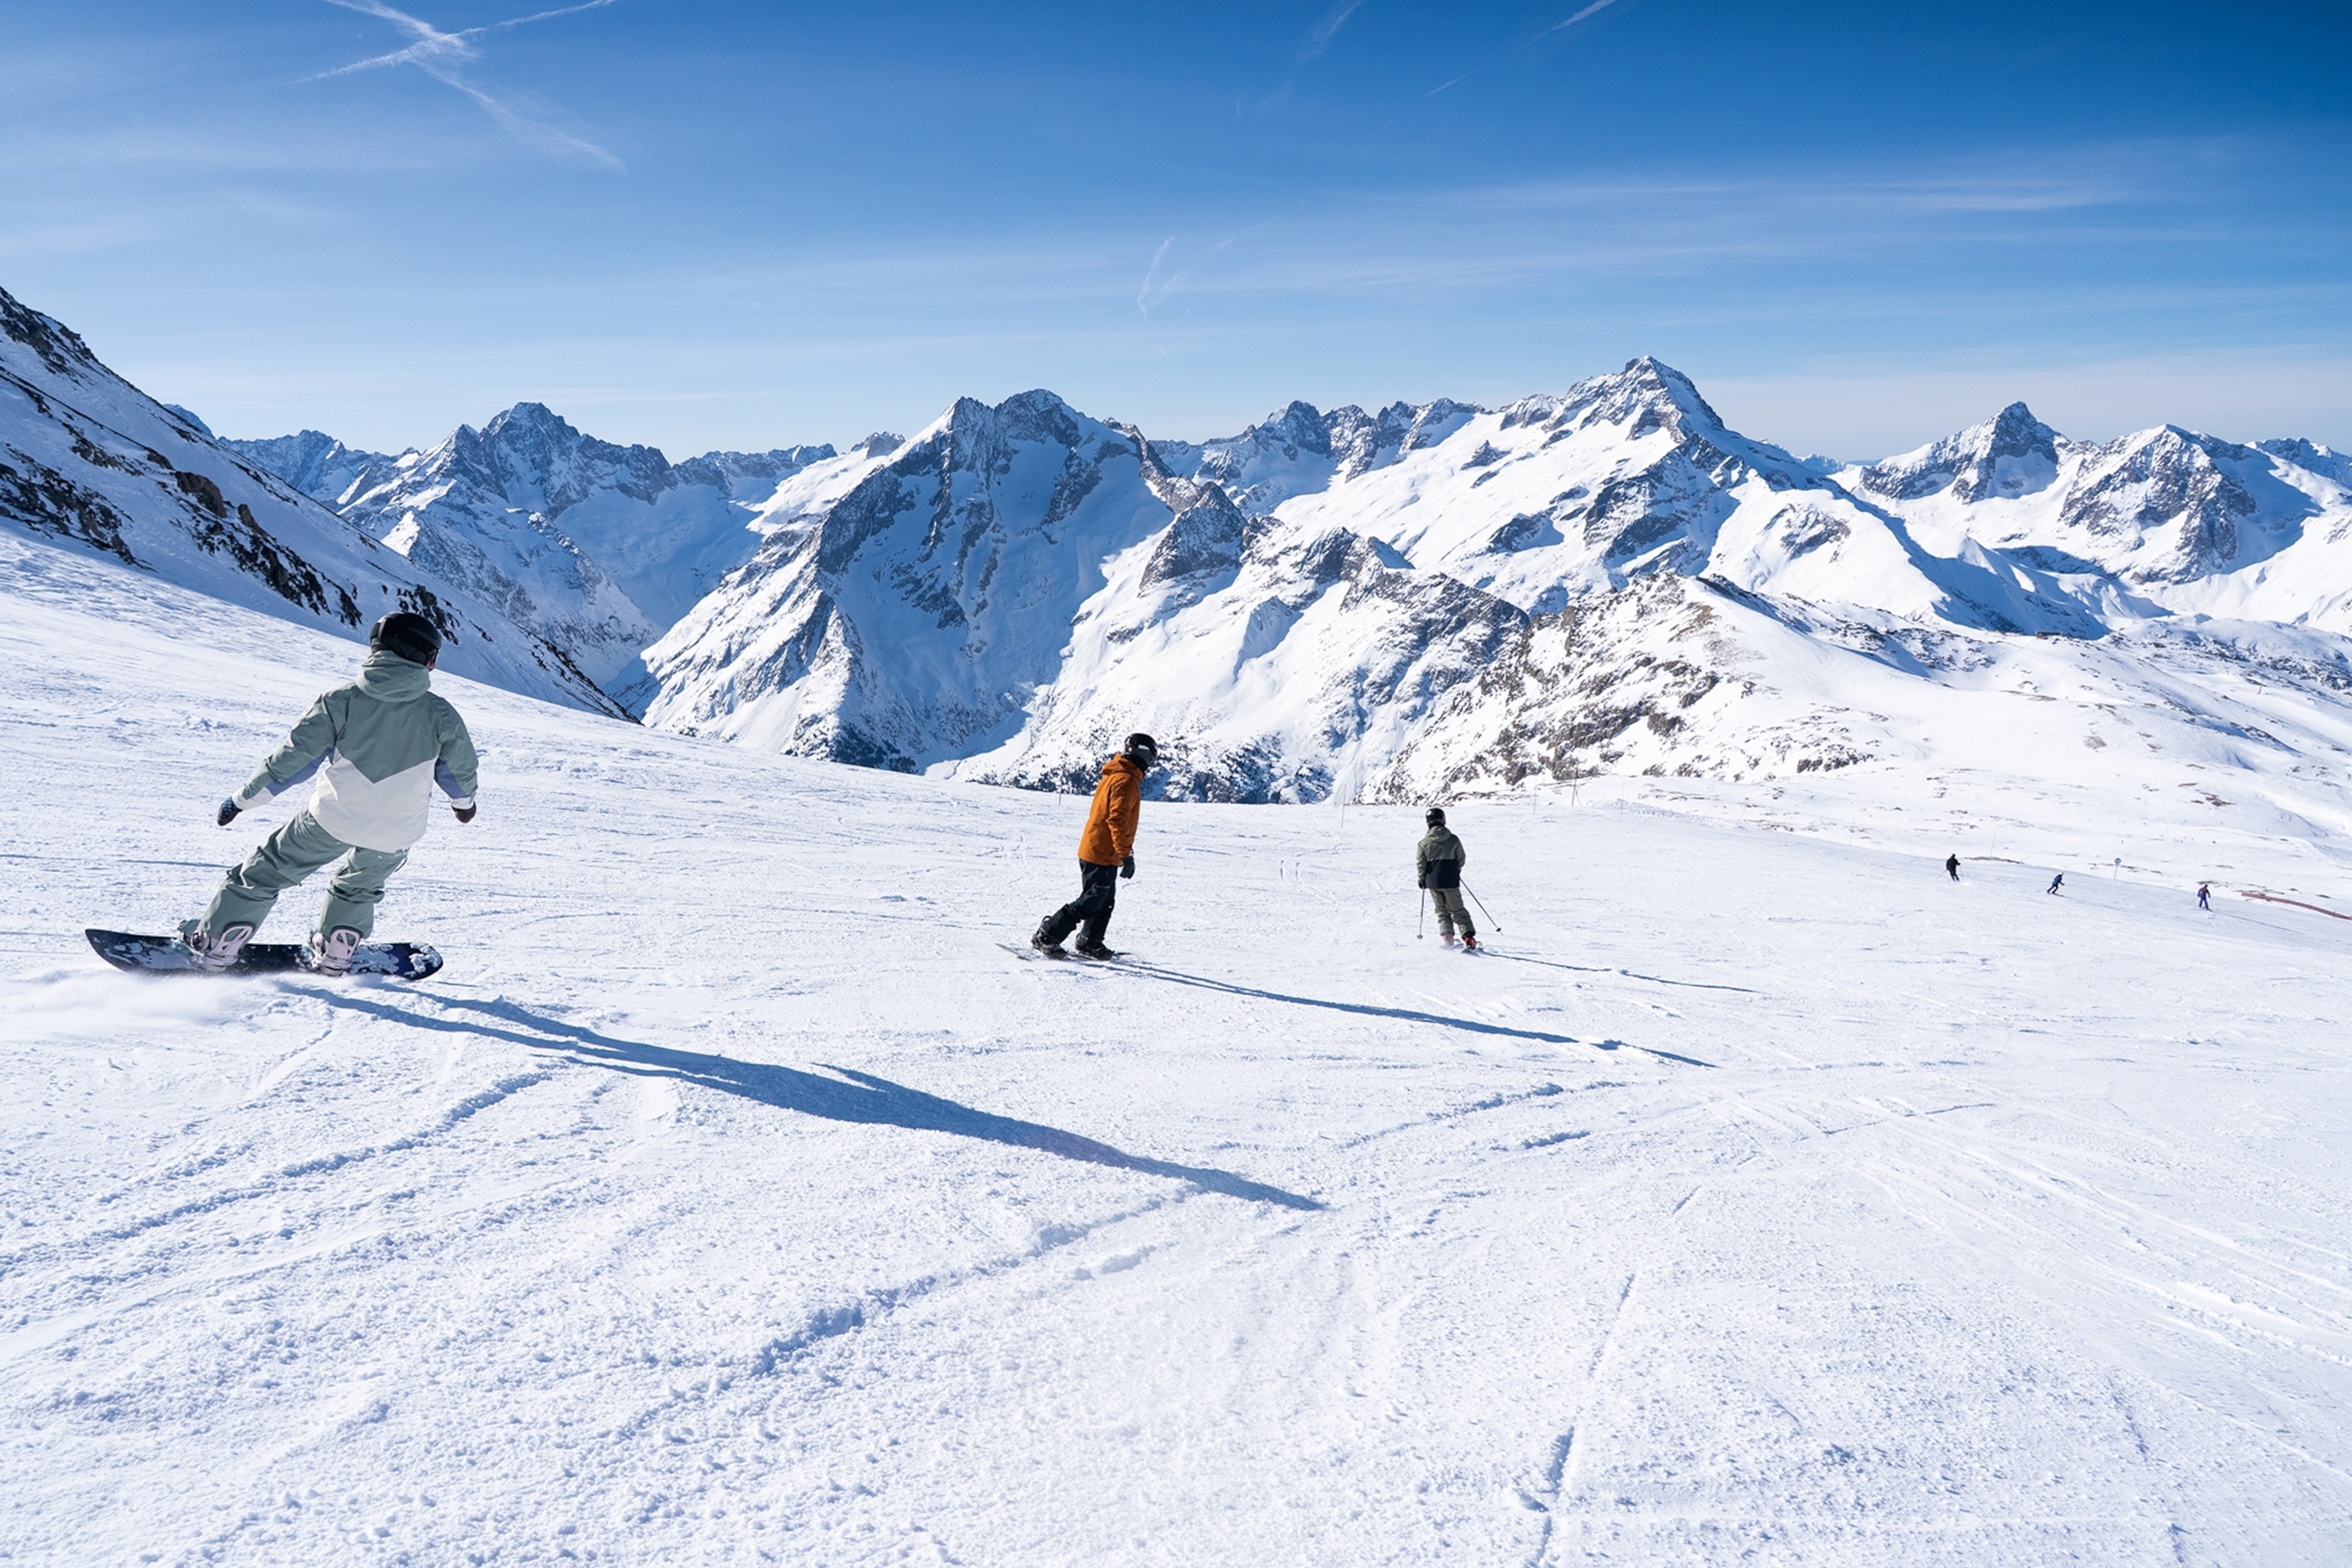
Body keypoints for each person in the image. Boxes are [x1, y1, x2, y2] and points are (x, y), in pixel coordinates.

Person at [181, 612, 479, 974]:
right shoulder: (440, 714)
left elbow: (290, 761)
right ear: (425, 658)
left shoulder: (341, 701)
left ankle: (217, 944)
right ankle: (337, 949)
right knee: (359, 886)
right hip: (398, 831)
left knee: (265, 872)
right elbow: (459, 772)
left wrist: (242, 800)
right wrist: (464, 805)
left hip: (332, 819)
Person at [1034, 733, 1159, 959]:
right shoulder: (1126, 780)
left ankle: (1090, 941)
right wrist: (1126, 855)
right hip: (1101, 851)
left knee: (1104, 901)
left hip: (1100, 849)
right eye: (1152, 758)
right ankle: (1048, 934)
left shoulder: (1116, 775)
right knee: (1092, 899)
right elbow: (1117, 819)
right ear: (1146, 756)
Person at [1417, 807, 1476, 949]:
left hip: (1432, 882)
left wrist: (1422, 880)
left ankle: (1447, 938)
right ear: (1443, 820)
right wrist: (1455, 870)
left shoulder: (1423, 843)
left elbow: (1421, 863)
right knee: (1457, 910)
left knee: (1441, 911)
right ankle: (1468, 938)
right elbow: (1461, 859)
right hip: (1450, 880)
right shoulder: (1453, 840)